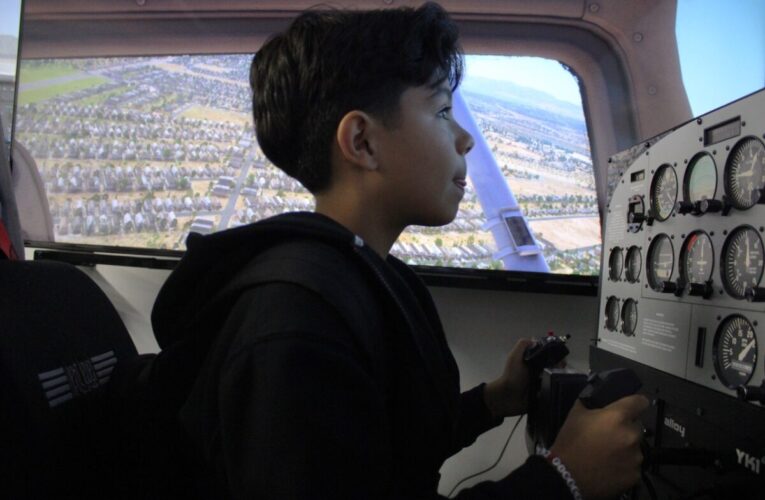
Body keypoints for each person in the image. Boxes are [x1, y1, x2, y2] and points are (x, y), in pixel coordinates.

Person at [149, 3, 648, 498]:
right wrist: (565, 479)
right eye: (442, 111)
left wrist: (492, 402)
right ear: (362, 142)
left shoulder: (378, 276)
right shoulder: (296, 329)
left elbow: (378, 451)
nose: (465, 138)